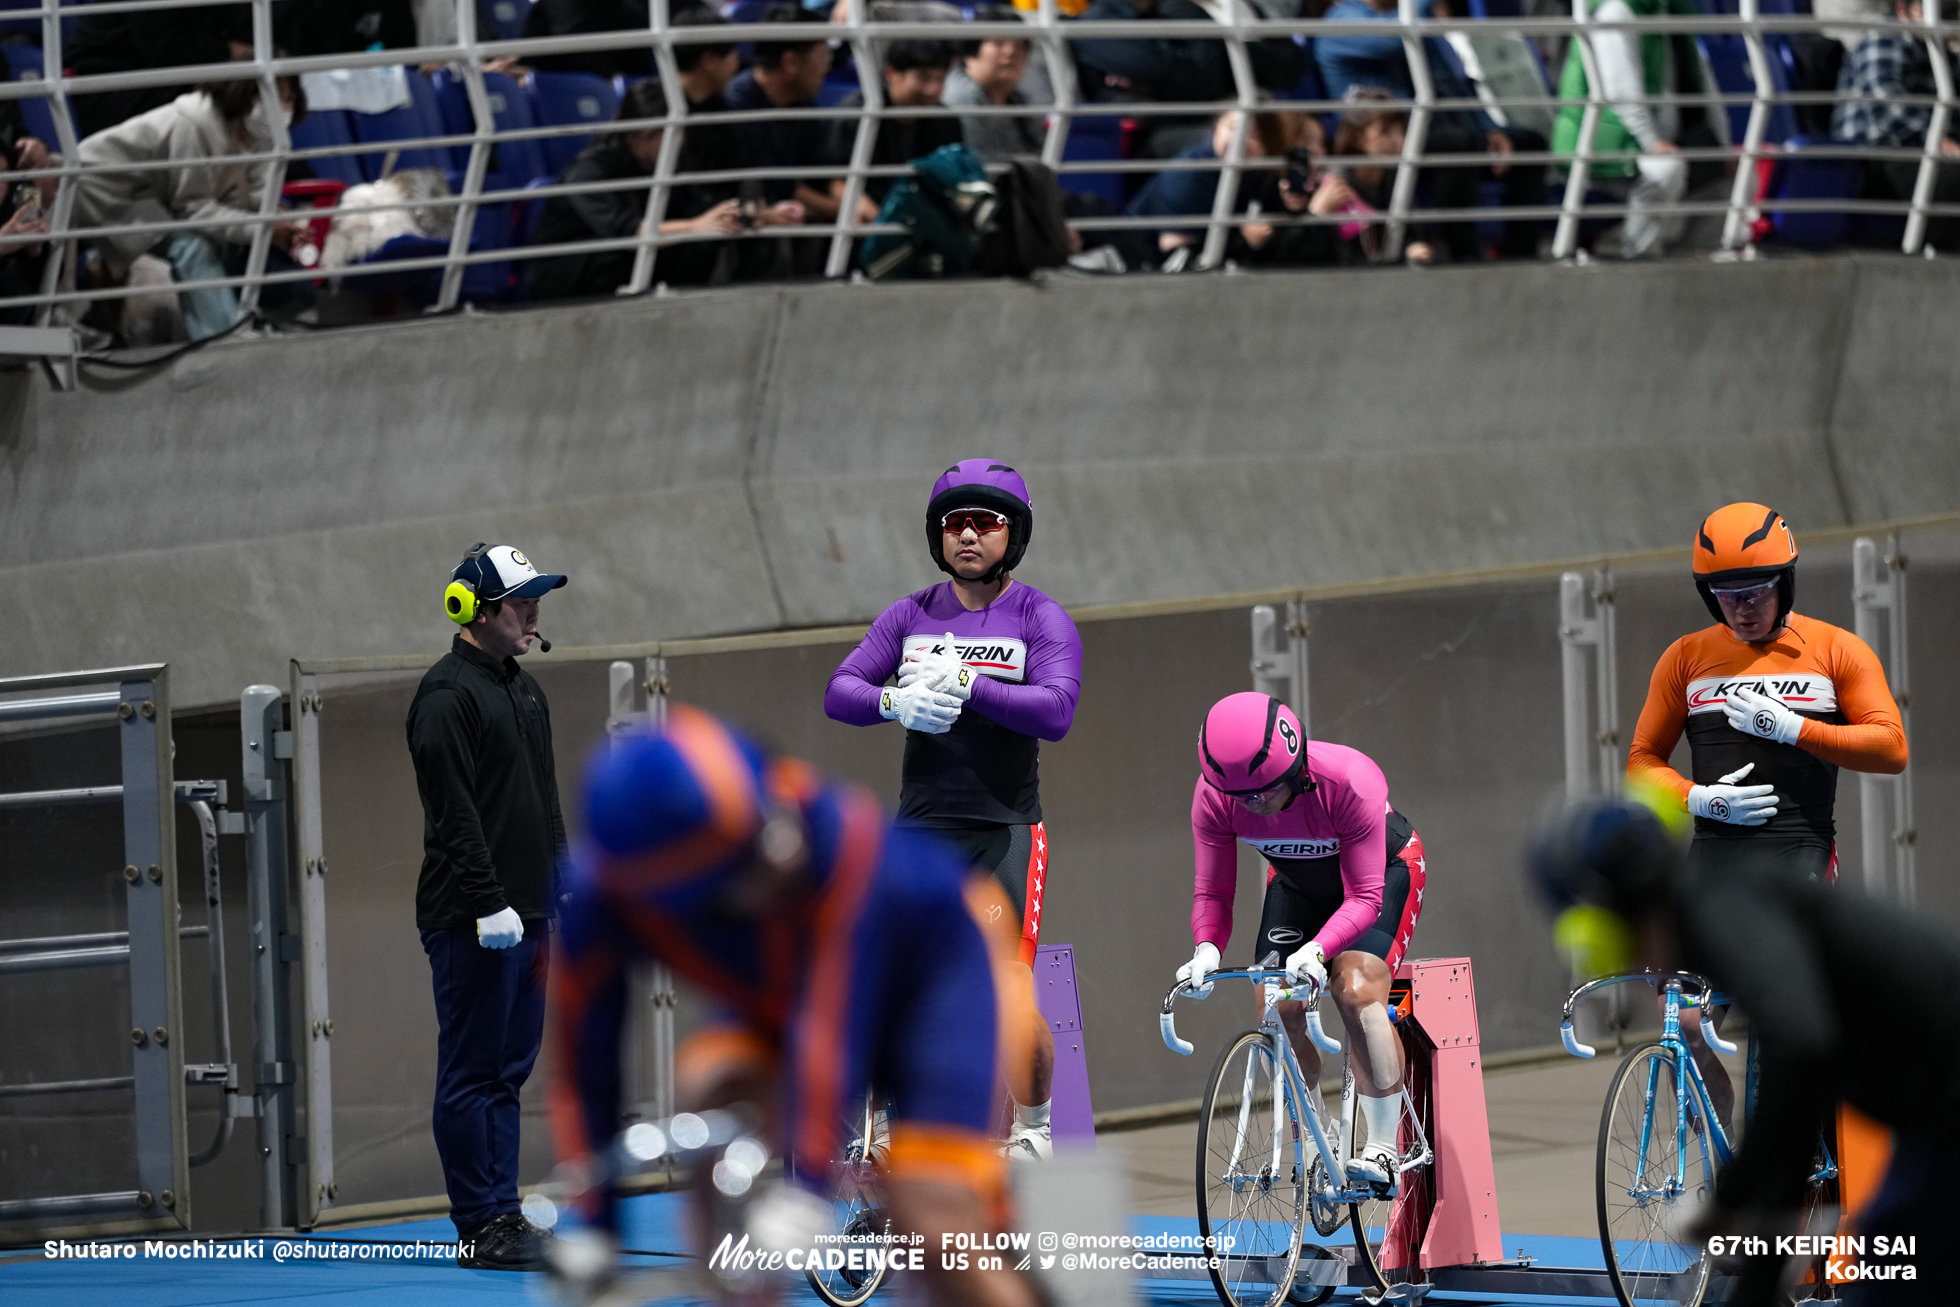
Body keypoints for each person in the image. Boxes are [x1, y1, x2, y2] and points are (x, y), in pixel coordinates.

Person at [550, 707, 1041, 1307]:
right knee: (711, 1092)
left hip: (933, 977)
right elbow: (584, 1065)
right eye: (754, 856)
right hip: (789, 992)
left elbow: (832, 1027)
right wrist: (597, 1229)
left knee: (934, 1227)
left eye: (772, 818)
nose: (783, 848)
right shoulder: (599, 899)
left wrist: (807, 1189)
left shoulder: (838, 840)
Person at [1531, 798, 1957, 1307]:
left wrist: (1730, 1199)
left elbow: (1802, 1052)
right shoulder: (1721, 900)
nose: (1635, 966)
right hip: (1933, 1114)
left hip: (1941, 1108)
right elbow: (1798, 1098)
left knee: (1897, 1265)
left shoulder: (1721, 909)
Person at [824, 460, 1083, 1161]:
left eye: (985, 522)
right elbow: (839, 688)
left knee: (1006, 983)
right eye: (954, 523)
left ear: (1013, 534)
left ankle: (1033, 1131)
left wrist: (971, 682)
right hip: (919, 830)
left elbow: (1056, 710)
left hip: (1001, 830)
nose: (968, 535)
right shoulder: (908, 614)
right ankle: (875, 1137)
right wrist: (891, 701)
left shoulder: (1038, 615)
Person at [1626, 502, 1906, 1128]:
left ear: (1786, 582)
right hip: (1717, 852)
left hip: (1799, 850)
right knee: (1686, 1019)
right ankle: (1730, 1172)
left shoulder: (1836, 650)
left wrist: (1798, 728)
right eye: (1725, 595)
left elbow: (1892, 747)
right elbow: (1641, 761)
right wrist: (1698, 797)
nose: (1743, 607)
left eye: (1756, 591)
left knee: (1785, 1019)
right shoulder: (1686, 658)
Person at [1177, 692, 1428, 1186]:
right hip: (1296, 884)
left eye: (1263, 793)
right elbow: (1212, 889)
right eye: (1240, 798)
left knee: (1354, 990)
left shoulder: (1349, 781)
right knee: (1277, 1004)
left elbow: (1364, 898)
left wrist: (1317, 951)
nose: (1253, 806)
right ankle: (1317, 1136)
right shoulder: (1214, 796)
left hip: (1381, 876)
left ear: (1293, 768)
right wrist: (1207, 947)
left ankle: (1382, 1148)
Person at [405, 543, 569, 1271]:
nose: (532, 612)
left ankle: (502, 1209)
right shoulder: (446, 696)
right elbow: (453, 815)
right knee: (473, 1069)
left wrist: (560, 885)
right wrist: (488, 902)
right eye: (519, 601)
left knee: (509, 1068)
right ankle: (479, 1220)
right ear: (470, 609)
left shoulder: (523, 689)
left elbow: (543, 798)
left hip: (529, 911)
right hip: (476, 917)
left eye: (536, 599)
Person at [71, 75, 310, 341]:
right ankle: (225, 342)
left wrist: (279, 220)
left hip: (163, 197)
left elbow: (251, 200)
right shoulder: (193, 124)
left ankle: (267, 328)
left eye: (288, 99)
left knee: (257, 254)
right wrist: (264, 227)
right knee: (191, 247)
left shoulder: (262, 134)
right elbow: (193, 209)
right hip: (112, 192)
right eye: (273, 97)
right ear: (244, 93)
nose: (283, 108)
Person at [526, 75, 806, 298]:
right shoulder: (590, 171)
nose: (678, 142)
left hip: (631, 258)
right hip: (575, 269)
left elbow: (702, 207)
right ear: (636, 136)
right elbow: (627, 232)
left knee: (723, 243)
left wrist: (759, 213)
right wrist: (696, 225)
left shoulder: (671, 162)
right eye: (665, 135)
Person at [1313, 0, 1548, 260]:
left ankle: (1523, 255)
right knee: (1456, 145)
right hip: (1378, 143)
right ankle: (1463, 257)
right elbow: (1398, 34)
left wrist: (1489, 129)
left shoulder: (1410, 16)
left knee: (1528, 143)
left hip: (1429, 136)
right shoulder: (1340, 21)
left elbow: (1454, 84)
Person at [1552, 0, 1723, 258]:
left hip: (1665, 143)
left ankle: (1690, 265)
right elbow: (1621, 92)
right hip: (1607, 149)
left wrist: (1723, 146)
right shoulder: (1614, 12)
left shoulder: (1671, 13)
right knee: (1665, 170)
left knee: (1737, 175)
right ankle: (1639, 259)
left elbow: (1707, 91)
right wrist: (1652, 143)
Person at [1070, 0, 1304, 158]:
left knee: (1299, 136)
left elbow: (1291, 66)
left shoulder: (1173, 9)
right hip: (1152, 138)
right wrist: (1216, 51)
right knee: (1244, 142)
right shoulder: (1097, 23)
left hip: (1212, 115)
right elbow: (1197, 82)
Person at [1124, 108, 1348, 269]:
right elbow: (1177, 261)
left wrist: (1296, 209)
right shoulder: (1188, 176)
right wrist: (1313, 215)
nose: (1241, 140)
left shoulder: (1262, 175)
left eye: (1256, 136)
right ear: (1217, 125)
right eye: (1234, 128)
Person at [1831, 0, 1960, 250]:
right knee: (1953, 182)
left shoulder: (1945, 56)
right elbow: (1885, 104)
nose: (1949, 22)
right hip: (1877, 159)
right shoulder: (1885, 37)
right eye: (1941, 12)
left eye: (1954, 13)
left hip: (1922, 157)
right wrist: (1940, 141)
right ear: (1903, 10)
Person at [724, 3, 841, 242]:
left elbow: (821, 166)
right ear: (791, 62)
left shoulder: (802, 100)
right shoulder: (736, 105)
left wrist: (852, 200)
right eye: (823, 57)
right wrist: (841, 210)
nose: (827, 68)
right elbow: (772, 182)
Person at [825, 39, 966, 224]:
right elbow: (834, 180)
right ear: (892, 73)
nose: (932, 90)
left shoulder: (946, 121)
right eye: (922, 78)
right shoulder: (856, 114)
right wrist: (859, 203)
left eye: (939, 79)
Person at [945, 8, 1046, 162]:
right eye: (998, 43)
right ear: (970, 53)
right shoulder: (960, 98)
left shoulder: (1018, 101)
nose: (1010, 52)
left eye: (1019, 46)